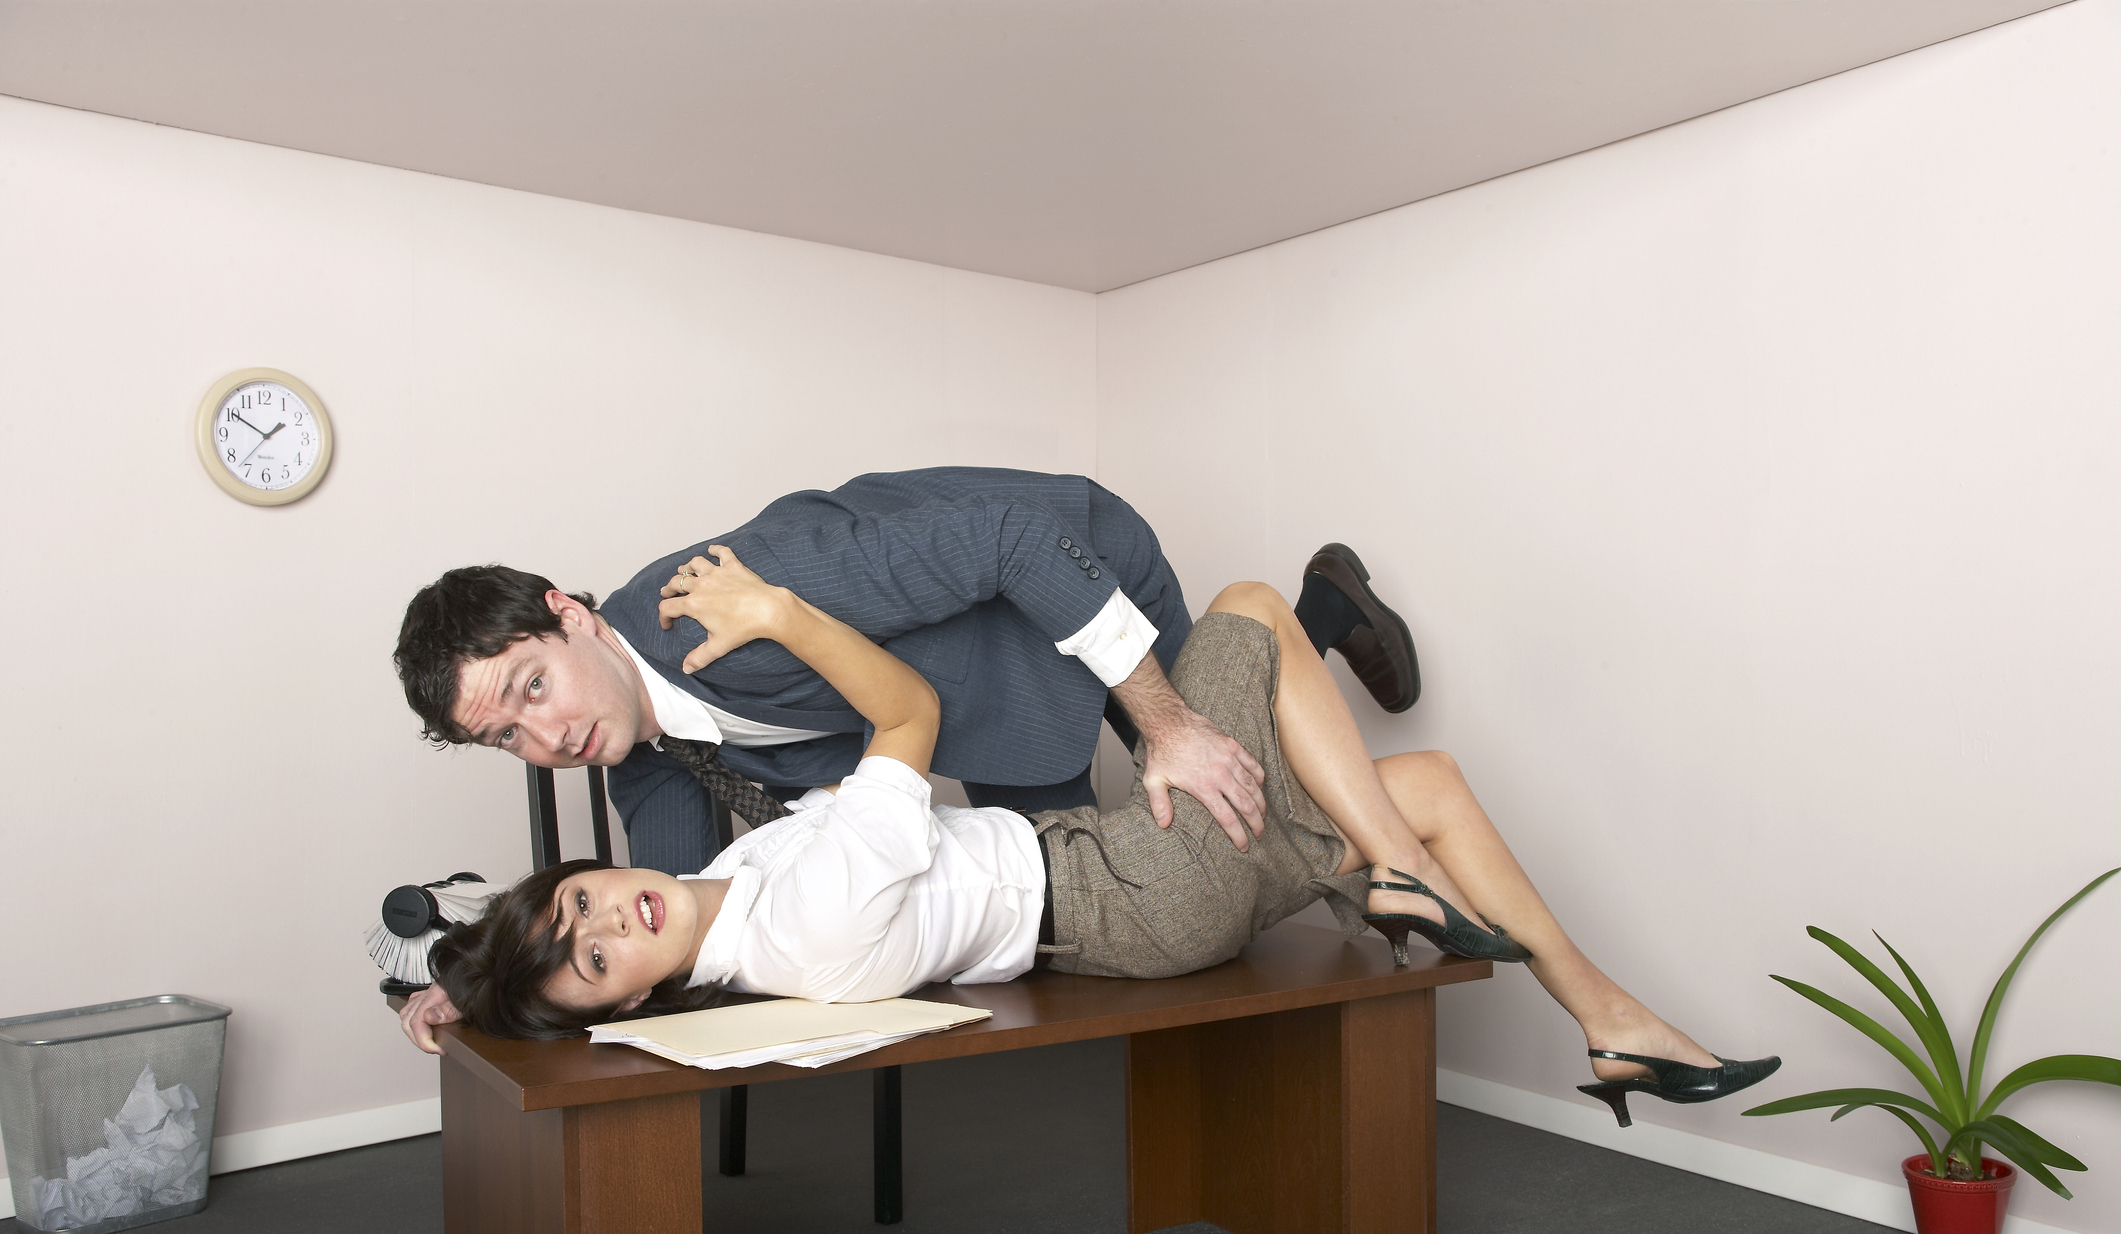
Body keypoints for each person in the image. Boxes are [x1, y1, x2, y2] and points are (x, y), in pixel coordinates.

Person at [398, 545, 1777, 1126]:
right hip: (1131, 882)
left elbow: (590, 918)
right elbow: (909, 709)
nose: (606, 922)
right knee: (1249, 601)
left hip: (1114, 894)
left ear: (594, 868)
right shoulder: (800, 909)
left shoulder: (728, 893)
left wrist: (468, 991)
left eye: (580, 904)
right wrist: (776, 615)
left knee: (1422, 778)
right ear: (627, 1001)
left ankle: (1608, 1017)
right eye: (589, 961)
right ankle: (1398, 883)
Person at [393, 467, 1420, 876]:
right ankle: (1306, 630)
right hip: (988, 699)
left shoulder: (738, 591)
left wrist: (1168, 724)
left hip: (1066, 566)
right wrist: (479, 988)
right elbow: (671, 907)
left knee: (1232, 780)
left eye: (532, 687)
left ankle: (1316, 609)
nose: (545, 739)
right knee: (1138, 872)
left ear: (568, 616)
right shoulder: (642, 748)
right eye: (506, 737)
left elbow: (1014, 538)